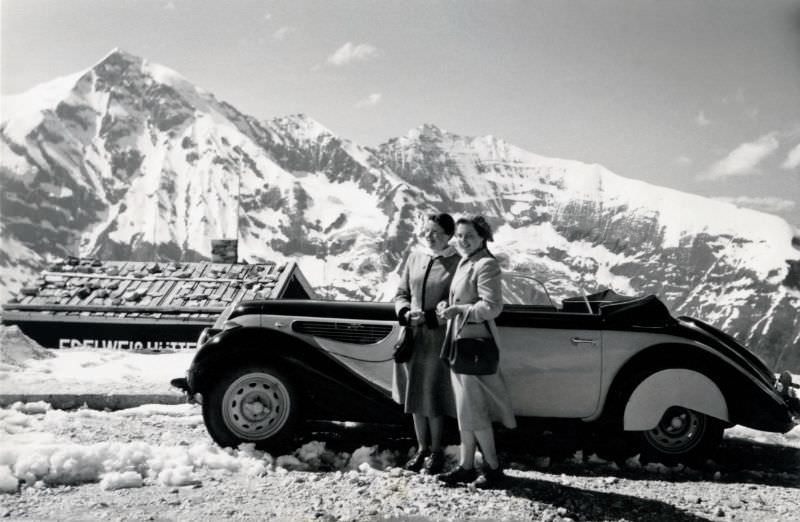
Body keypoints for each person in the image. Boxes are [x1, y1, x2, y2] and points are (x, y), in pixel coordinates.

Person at [437, 215, 516, 488]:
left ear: (483, 237)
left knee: (475, 411)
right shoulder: (465, 261)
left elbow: (492, 307)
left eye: (469, 235)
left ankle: (493, 468)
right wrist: (446, 308)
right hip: (460, 342)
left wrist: (459, 311)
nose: (463, 240)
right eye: (459, 236)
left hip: (472, 345)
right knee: (465, 410)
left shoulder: (486, 264)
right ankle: (466, 465)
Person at [393, 213, 461, 474]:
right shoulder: (415, 258)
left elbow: (455, 302)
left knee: (432, 394)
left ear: (448, 235)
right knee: (414, 395)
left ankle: (436, 451)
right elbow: (401, 293)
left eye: (435, 232)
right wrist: (405, 312)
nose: (429, 236)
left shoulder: (455, 263)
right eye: (426, 231)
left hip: (435, 337)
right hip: (412, 336)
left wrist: (430, 317)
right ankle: (422, 448)